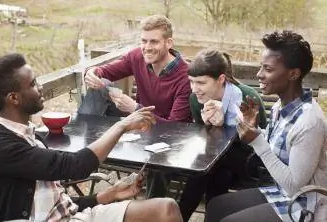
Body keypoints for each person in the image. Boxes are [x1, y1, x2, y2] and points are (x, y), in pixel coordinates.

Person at [0, 53, 183, 222]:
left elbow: (61, 204)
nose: (40, 87)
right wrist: (122, 125)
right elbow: (76, 165)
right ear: (14, 98)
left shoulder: (33, 136)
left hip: (74, 216)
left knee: (167, 210)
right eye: (32, 84)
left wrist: (109, 194)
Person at [205, 31, 327, 222]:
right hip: (281, 192)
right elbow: (279, 149)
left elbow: (294, 186)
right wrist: (255, 129)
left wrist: (257, 141)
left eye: (268, 69)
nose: (259, 75)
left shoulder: (309, 122)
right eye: (261, 67)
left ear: (293, 74)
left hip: (306, 205)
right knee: (217, 206)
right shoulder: (281, 107)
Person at [178, 49, 268, 221]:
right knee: (217, 172)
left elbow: (261, 142)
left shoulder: (247, 96)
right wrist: (209, 126)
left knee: (206, 168)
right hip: (218, 163)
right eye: (191, 82)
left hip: (250, 160)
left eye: (201, 83)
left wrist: (225, 126)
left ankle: (180, 216)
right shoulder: (195, 100)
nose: (195, 89)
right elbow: (204, 141)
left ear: (220, 79)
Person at [84, 14, 192, 123]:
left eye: (154, 42)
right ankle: (84, 133)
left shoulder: (187, 77)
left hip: (166, 133)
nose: (147, 48)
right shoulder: (137, 56)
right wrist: (92, 73)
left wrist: (135, 108)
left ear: (169, 43)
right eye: (144, 41)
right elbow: (103, 71)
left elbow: (175, 129)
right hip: (139, 121)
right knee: (100, 86)